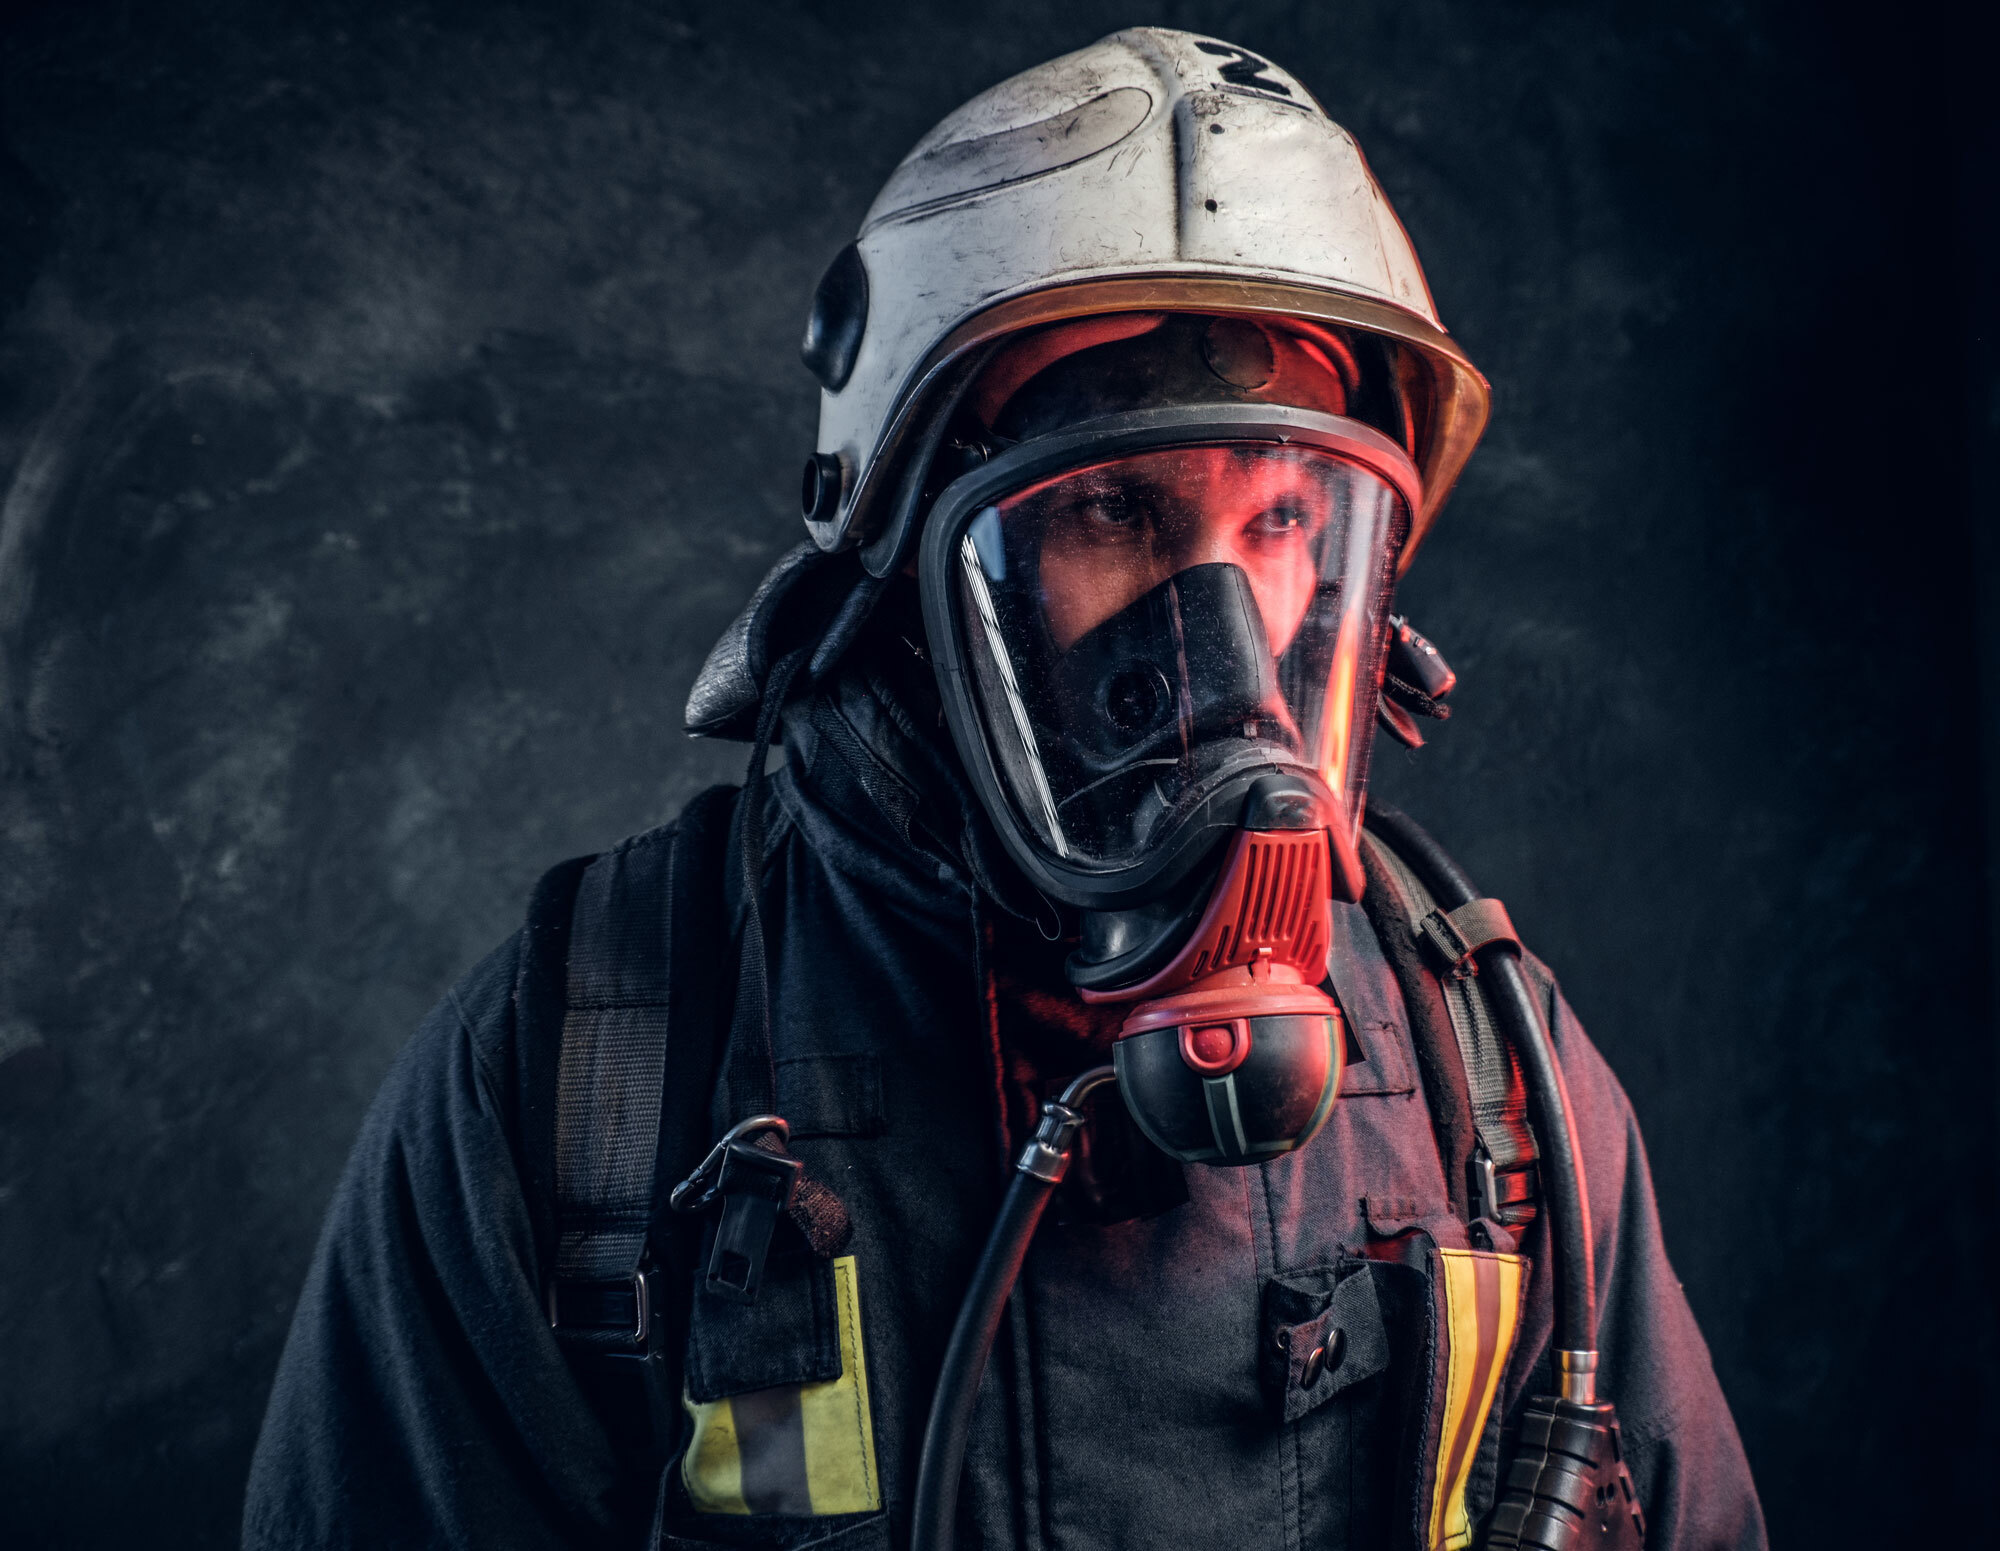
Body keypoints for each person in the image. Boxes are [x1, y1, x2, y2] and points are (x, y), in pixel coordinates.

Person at [243, 28, 1766, 1551]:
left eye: (1290, 515)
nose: (1224, 648)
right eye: (1114, 507)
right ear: (900, 570)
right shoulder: (585, 1076)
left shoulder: (1494, 1080)